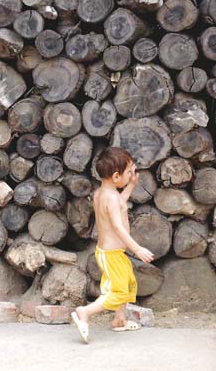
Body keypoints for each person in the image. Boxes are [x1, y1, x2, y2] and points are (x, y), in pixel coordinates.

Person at [71, 147, 155, 343]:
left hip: (112, 253)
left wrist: (131, 186)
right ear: (116, 176)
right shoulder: (110, 196)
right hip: (111, 254)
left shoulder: (103, 193)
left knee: (127, 282)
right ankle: (85, 311)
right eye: (129, 173)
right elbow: (118, 227)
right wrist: (137, 249)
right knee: (117, 291)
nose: (131, 175)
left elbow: (119, 204)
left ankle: (119, 320)